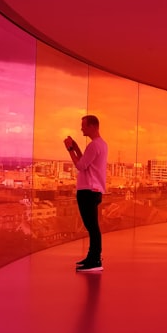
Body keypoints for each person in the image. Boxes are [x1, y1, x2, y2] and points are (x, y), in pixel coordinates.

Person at [64, 114, 109, 272]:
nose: (81, 128)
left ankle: (95, 260)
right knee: (93, 226)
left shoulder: (94, 146)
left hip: (88, 190)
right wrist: (75, 147)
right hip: (95, 189)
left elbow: (81, 166)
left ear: (91, 126)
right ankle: (93, 257)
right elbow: (86, 162)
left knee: (92, 226)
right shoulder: (101, 145)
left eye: (83, 125)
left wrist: (69, 150)